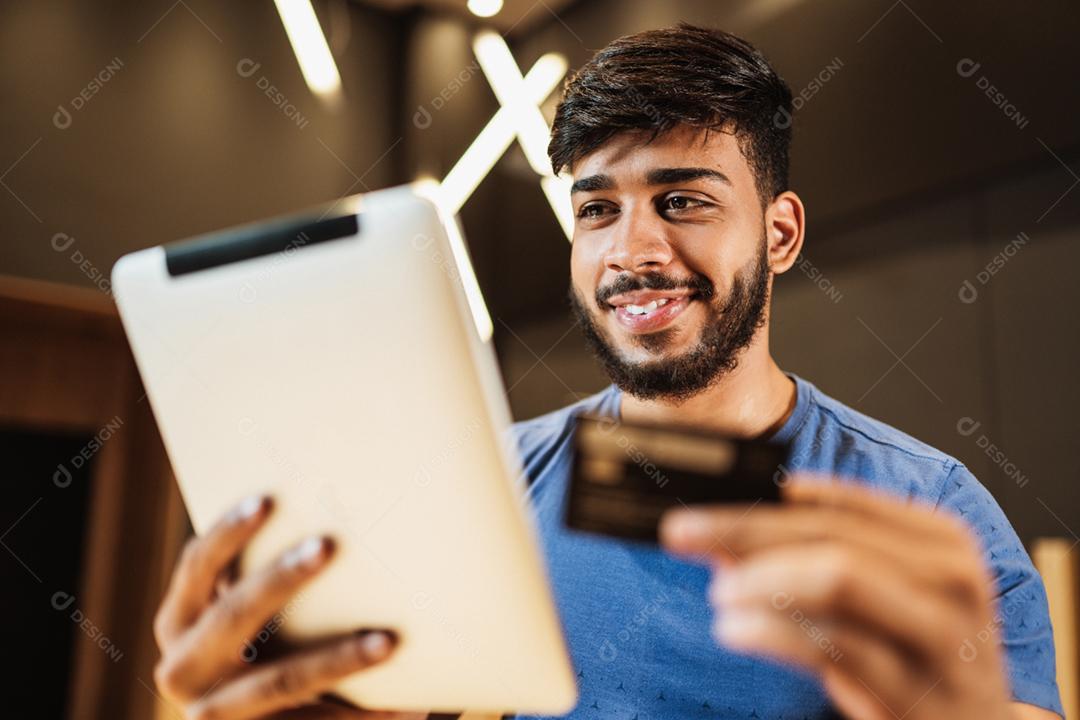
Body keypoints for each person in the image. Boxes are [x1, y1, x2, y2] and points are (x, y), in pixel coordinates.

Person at [151, 23, 1063, 720]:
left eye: (681, 201)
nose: (634, 251)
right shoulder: (487, 485)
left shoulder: (931, 510)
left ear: (780, 233)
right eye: (597, 210)